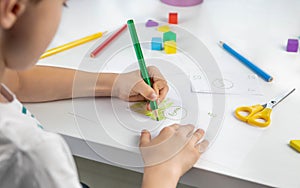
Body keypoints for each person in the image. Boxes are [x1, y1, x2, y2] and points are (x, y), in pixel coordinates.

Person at [0, 0, 209, 187]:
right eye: (62, 4)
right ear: (14, 8)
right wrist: (163, 172)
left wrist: (114, 83)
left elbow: (16, 81)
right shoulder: (29, 154)